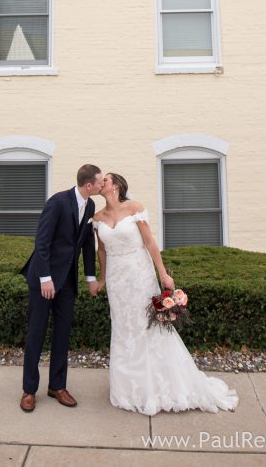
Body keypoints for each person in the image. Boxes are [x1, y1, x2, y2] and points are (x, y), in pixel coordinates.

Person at [92, 172, 239, 416]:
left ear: (116, 185)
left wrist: (163, 275)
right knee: (125, 329)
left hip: (140, 275)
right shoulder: (97, 218)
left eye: (105, 180)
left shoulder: (134, 208)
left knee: (150, 328)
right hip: (118, 283)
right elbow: (102, 252)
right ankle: (129, 388)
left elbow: (149, 243)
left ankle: (163, 385)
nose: (101, 183)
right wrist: (103, 279)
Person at [20, 163, 104, 412]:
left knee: (62, 333)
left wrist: (90, 277)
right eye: (100, 182)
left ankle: (57, 386)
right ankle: (29, 390)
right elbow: (42, 241)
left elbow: (87, 243)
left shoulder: (90, 205)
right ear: (89, 184)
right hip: (44, 279)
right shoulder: (57, 202)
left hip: (67, 280)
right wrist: (45, 278)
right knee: (36, 333)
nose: (102, 185)